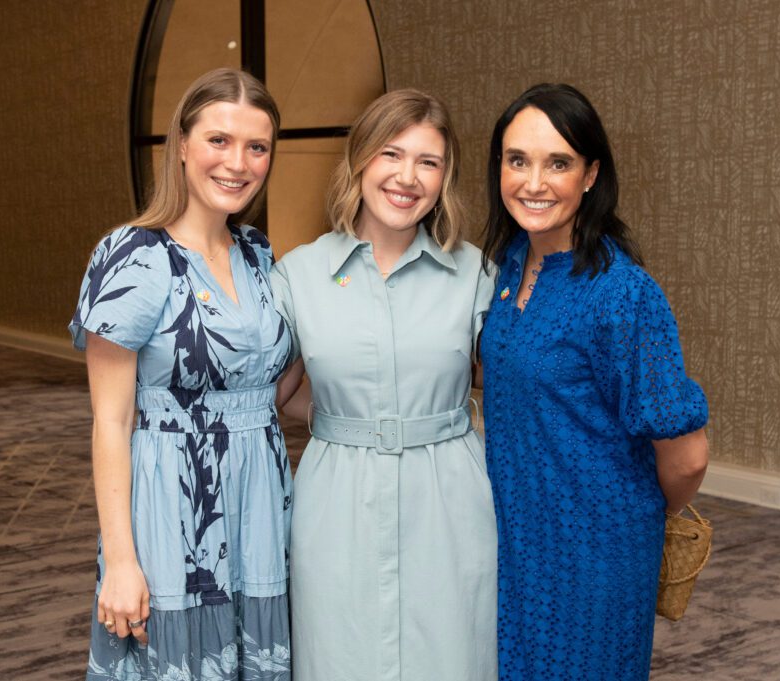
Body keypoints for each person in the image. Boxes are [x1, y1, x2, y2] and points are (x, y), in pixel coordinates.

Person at [480, 83, 709, 681]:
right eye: (517, 160)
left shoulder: (621, 294)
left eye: (558, 163)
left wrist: (623, 520)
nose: (534, 182)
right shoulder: (510, 266)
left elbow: (686, 457)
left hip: (593, 550)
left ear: (590, 175)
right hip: (515, 534)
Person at [70, 68, 293, 681]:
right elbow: (110, 422)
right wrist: (120, 561)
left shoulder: (257, 253)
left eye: (257, 146)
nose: (238, 162)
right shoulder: (133, 255)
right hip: (174, 505)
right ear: (184, 145)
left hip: (261, 505)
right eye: (219, 140)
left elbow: (268, 389)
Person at [271, 89, 497, 681]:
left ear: (444, 177)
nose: (407, 177)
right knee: (338, 656)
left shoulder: (475, 271)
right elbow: (277, 393)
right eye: (391, 154)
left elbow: (515, 385)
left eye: (429, 161)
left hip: (450, 497)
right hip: (337, 497)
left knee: (452, 654)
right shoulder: (299, 274)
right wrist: (351, 420)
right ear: (361, 161)